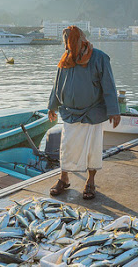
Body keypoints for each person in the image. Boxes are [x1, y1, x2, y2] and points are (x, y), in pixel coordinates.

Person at [47, 26, 120, 200]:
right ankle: (64, 178)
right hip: (70, 113)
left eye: (71, 42)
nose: (68, 46)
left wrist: (114, 111)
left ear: (81, 41)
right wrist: (52, 106)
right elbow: (57, 85)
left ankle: (90, 181)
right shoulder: (66, 59)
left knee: (92, 148)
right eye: (66, 42)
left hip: (92, 112)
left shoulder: (99, 58)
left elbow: (109, 85)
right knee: (67, 147)